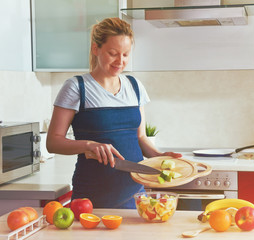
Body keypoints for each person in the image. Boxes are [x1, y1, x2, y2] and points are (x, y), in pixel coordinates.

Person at [46, 17, 182, 209]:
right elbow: (53, 142)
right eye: (113, 53)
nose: (120, 61)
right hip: (91, 198)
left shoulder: (135, 86)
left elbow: (139, 136)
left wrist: (159, 156)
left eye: (125, 55)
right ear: (96, 49)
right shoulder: (77, 87)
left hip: (135, 196)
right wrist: (88, 145)